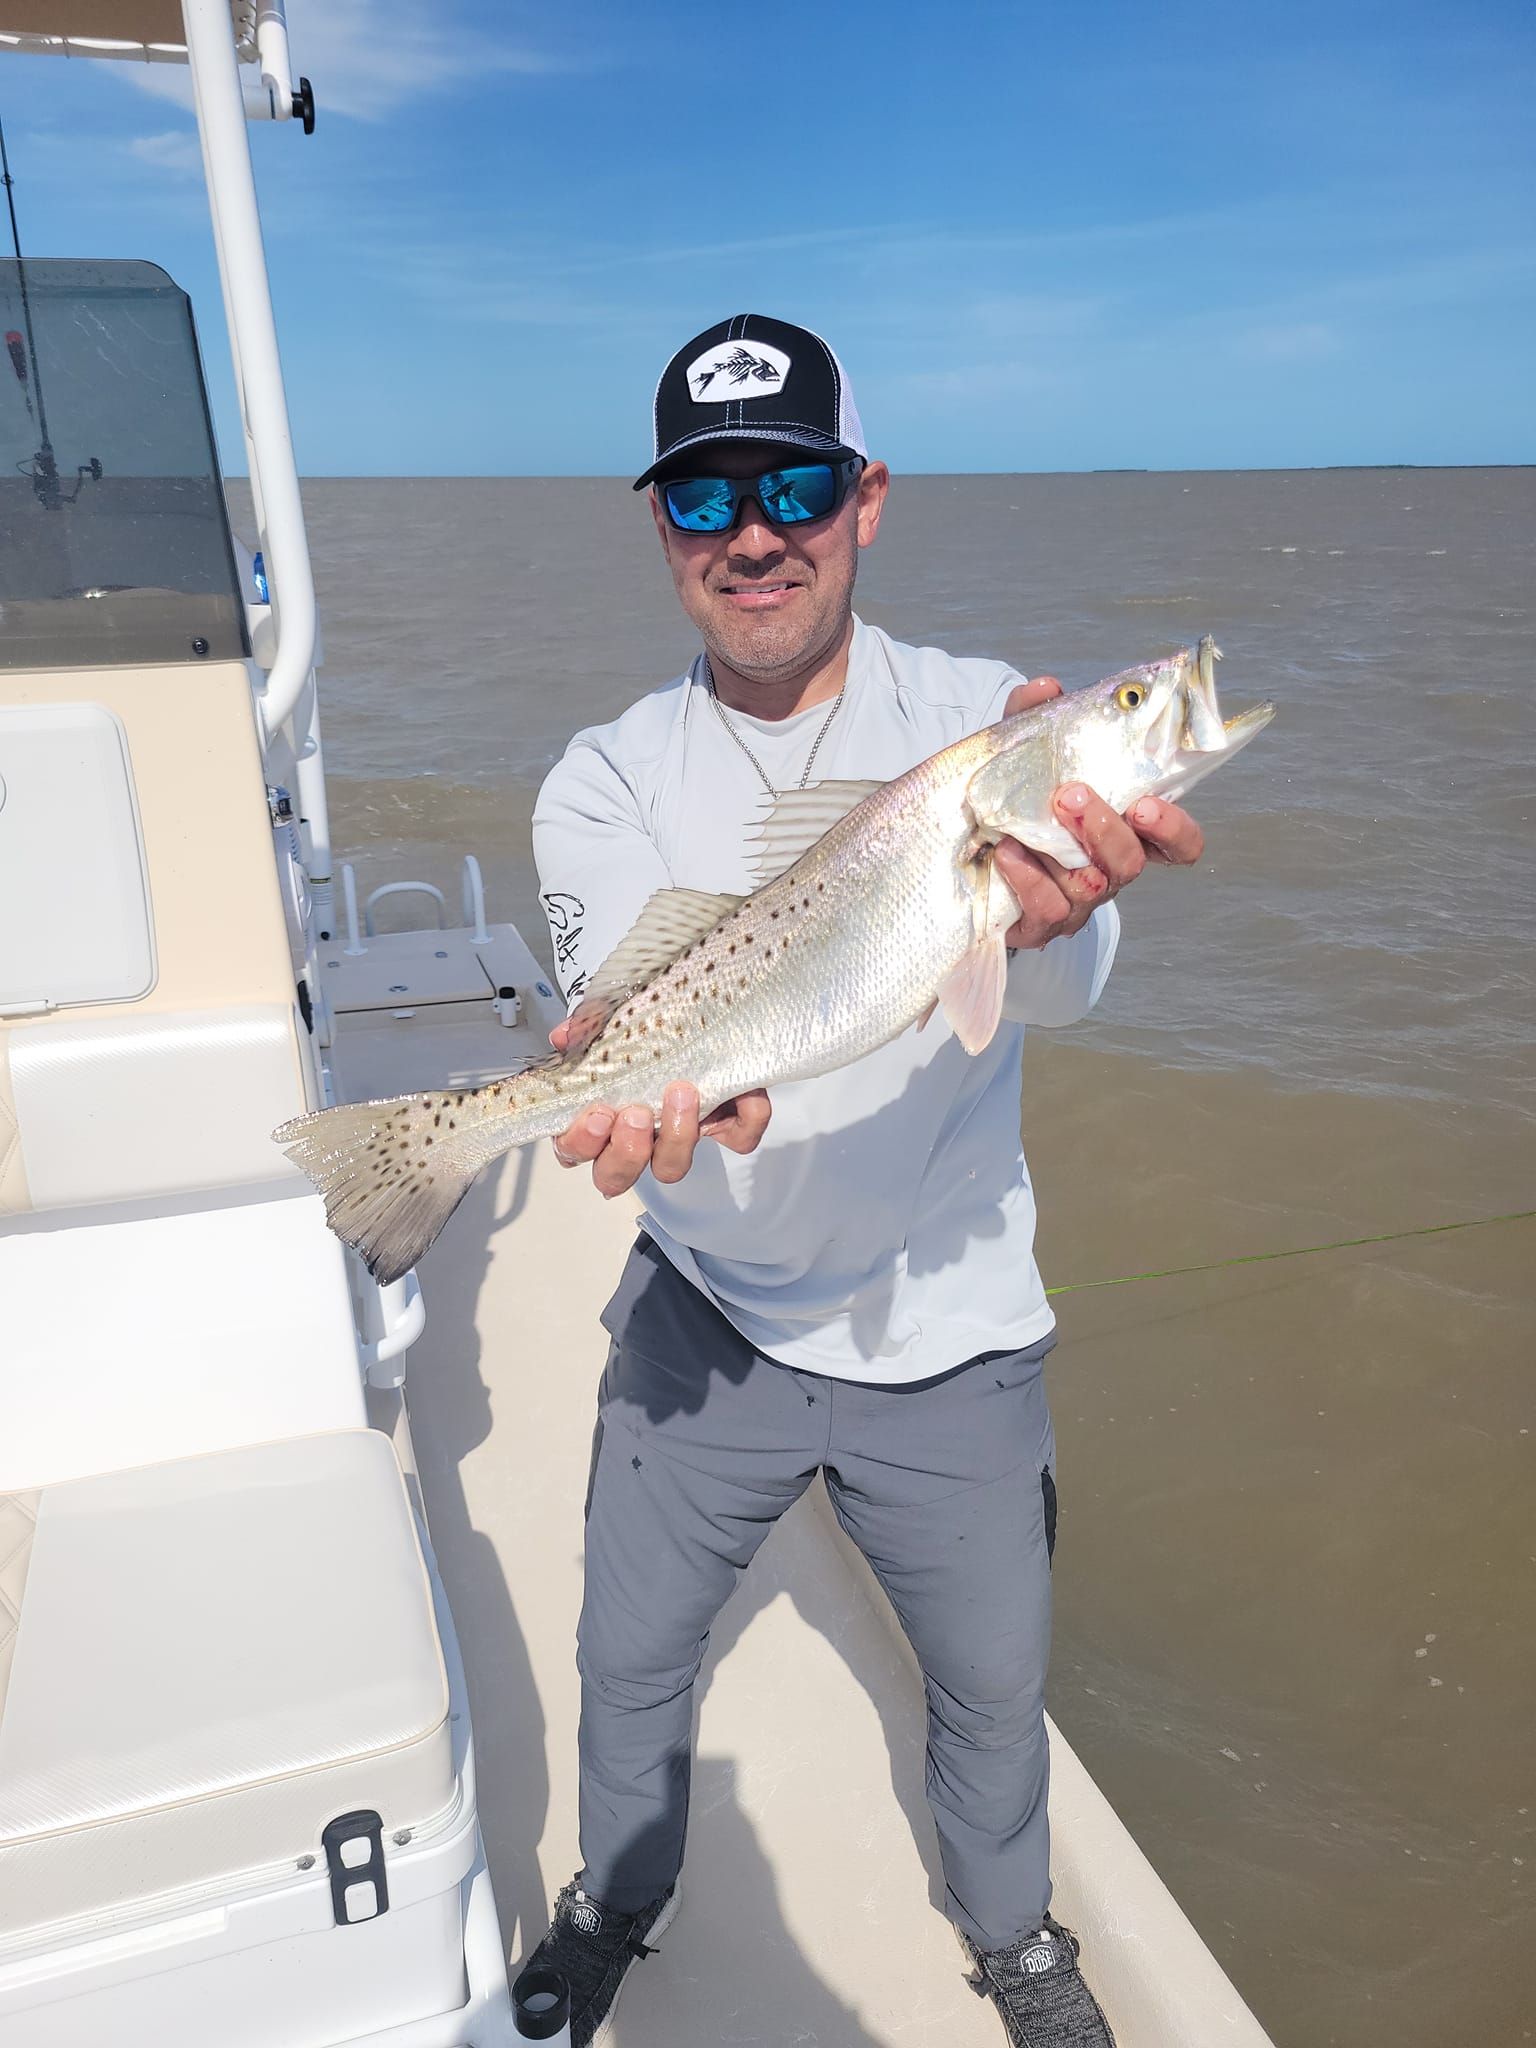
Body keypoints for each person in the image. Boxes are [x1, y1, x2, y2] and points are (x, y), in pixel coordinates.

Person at [518, 314, 1204, 2047]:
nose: (756, 531)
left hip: (953, 1327)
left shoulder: (984, 725)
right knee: (628, 1662)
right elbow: (615, 1002)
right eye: (706, 498)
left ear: (866, 498)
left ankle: (1014, 1940)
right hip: (706, 1322)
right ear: (663, 529)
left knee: (992, 1694)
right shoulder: (601, 779)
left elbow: (1054, 978)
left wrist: (1063, 906)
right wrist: (617, 1087)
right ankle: (617, 1895)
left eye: (796, 482)